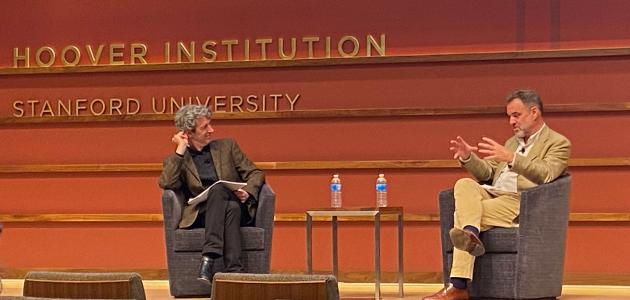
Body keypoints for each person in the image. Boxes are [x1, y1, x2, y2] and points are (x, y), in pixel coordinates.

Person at [424, 90, 571, 300]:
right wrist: (468, 157)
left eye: (516, 115)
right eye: (509, 116)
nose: (511, 121)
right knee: (464, 183)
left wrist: (512, 158)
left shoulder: (558, 143)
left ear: (534, 112)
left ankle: (458, 284)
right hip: (493, 193)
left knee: (462, 215)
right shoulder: (513, 142)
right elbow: (488, 173)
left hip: (522, 200)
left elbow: (546, 174)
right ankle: (471, 232)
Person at [158, 105, 265, 284]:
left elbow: (255, 173)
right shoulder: (178, 159)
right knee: (229, 207)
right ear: (189, 133)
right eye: (204, 127)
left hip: (236, 202)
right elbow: (167, 183)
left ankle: (208, 257)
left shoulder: (227, 146)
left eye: (210, 124)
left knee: (221, 192)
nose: (211, 130)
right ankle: (235, 274)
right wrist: (181, 148)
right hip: (203, 213)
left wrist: (247, 192)